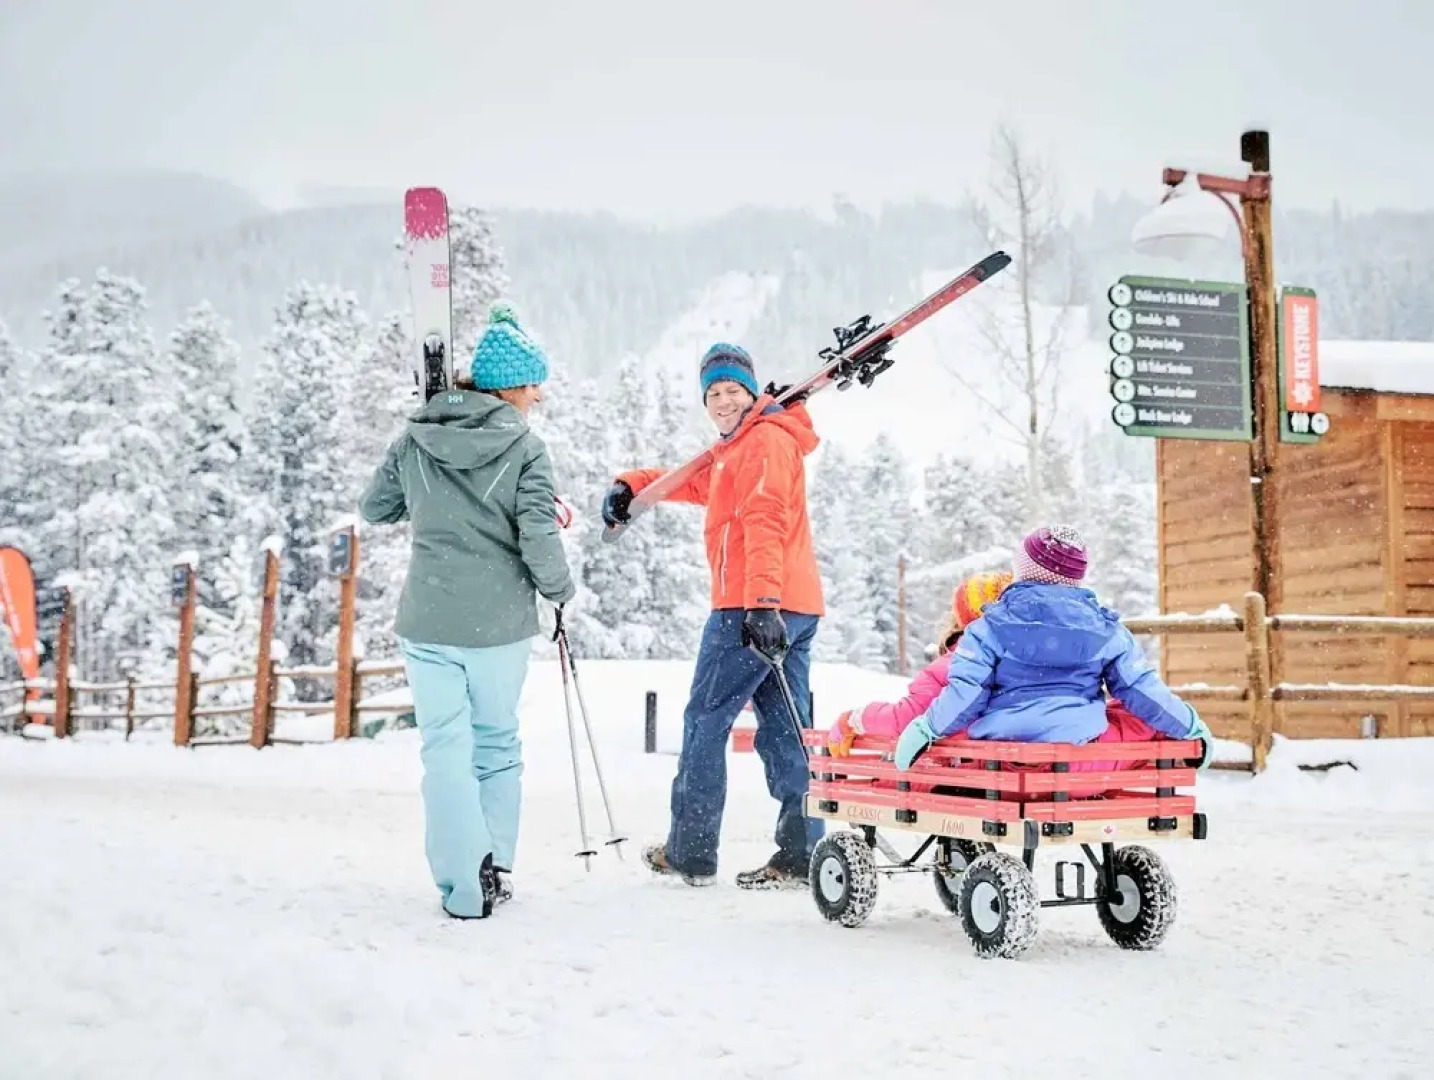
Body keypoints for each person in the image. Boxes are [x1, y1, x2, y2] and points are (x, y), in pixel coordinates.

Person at [359, 303, 576, 920]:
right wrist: (559, 591)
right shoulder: (526, 448)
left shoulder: (416, 437)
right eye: (533, 384)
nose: (537, 396)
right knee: (496, 743)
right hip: (498, 625)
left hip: (427, 623)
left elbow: (376, 507)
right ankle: (495, 866)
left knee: (443, 749)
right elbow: (537, 535)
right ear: (511, 386)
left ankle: (462, 881)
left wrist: (429, 498)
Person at [601, 342, 825, 889]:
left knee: (706, 721)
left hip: (750, 607)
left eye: (733, 391)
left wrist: (762, 604)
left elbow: (767, 517)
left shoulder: (765, 441)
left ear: (752, 392)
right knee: (785, 731)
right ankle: (800, 854)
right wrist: (631, 486)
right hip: (788, 606)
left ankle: (691, 852)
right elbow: (696, 481)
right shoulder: (742, 446)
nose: (724, 401)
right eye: (714, 393)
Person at [892, 524, 1213, 772]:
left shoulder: (987, 627)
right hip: (1077, 749)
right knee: (1134, 715)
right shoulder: (1107, 630)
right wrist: (1190, 726)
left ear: (1022, 571)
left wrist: (926, 727)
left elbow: (965, 694)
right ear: (1076, 579)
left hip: (1005, 758)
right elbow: (1141, 689)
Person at [827, 570, 1012, 756]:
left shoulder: (955, 666)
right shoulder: (1027, 668)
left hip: (961, 777)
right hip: (1013, 773)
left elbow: (905, 719)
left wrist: (854, 720)